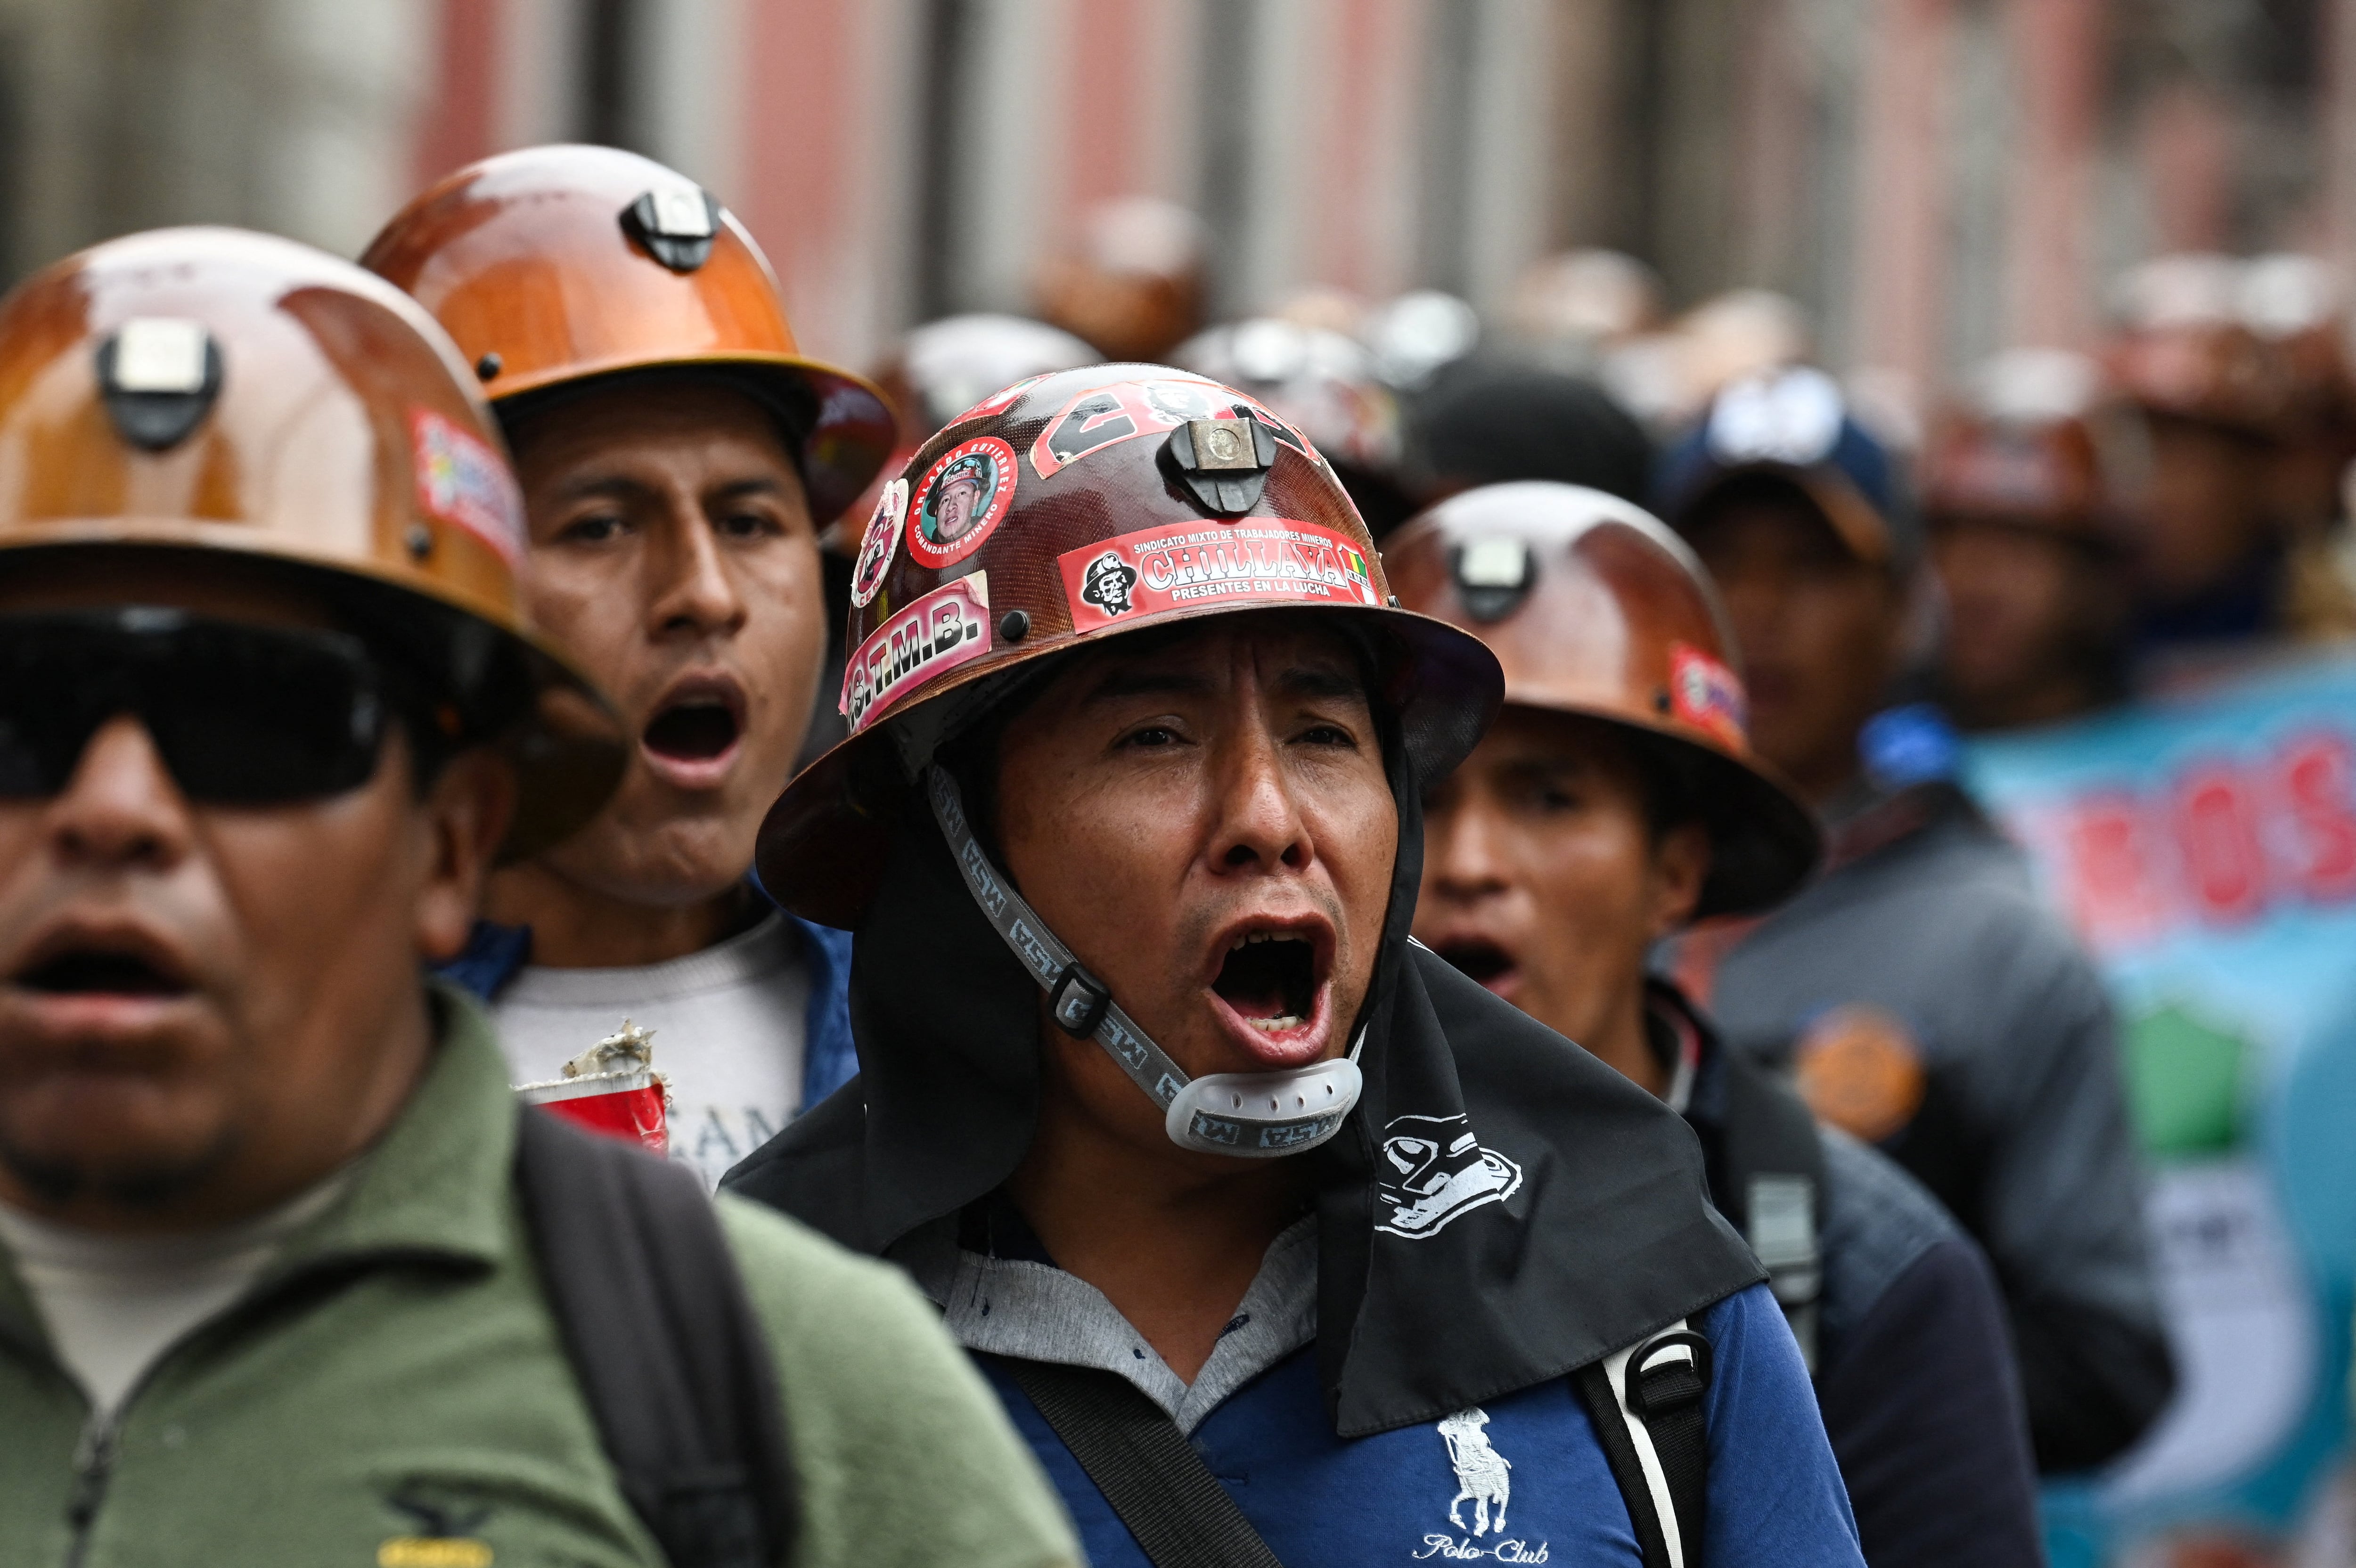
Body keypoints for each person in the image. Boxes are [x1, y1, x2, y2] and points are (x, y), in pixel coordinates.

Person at [0, 228, 1077, 1568]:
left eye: (256, 722)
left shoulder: (806, 1390)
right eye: (21, 717)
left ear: (454, 835)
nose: (115, 809)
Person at [726, 364, 1867, 1567]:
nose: (1269, 820)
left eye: (1323, 733)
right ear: (952, 848)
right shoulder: (738, 1337)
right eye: (1152, 737)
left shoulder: (1645, 1295)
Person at [1391, 481, 2046, 1566]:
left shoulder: (1868, 1265)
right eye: (1424, 793)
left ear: (1676, 870)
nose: (1469, 864)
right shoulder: (1227, 1204)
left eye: (1550, 798)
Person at [1656, 365, 2174, 1476]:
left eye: (1811, 568)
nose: (1758, 609)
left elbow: (2109, 1361)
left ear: (1902, 613)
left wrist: (1777, 1367)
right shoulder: (1533, 886)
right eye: (1716, 564)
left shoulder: (1997, 944)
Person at [363, 146, 899, 1188]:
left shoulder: (963, 1019)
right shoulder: (284, 1051)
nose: (704, 592)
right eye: (601, 525)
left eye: (749, 520)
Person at [1924, 350, 2132, 731]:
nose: (1975, 584)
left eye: (2018, 549)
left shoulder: (2187, 748)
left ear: (2097, 579)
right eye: (1954, 545)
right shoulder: (1881, 749)